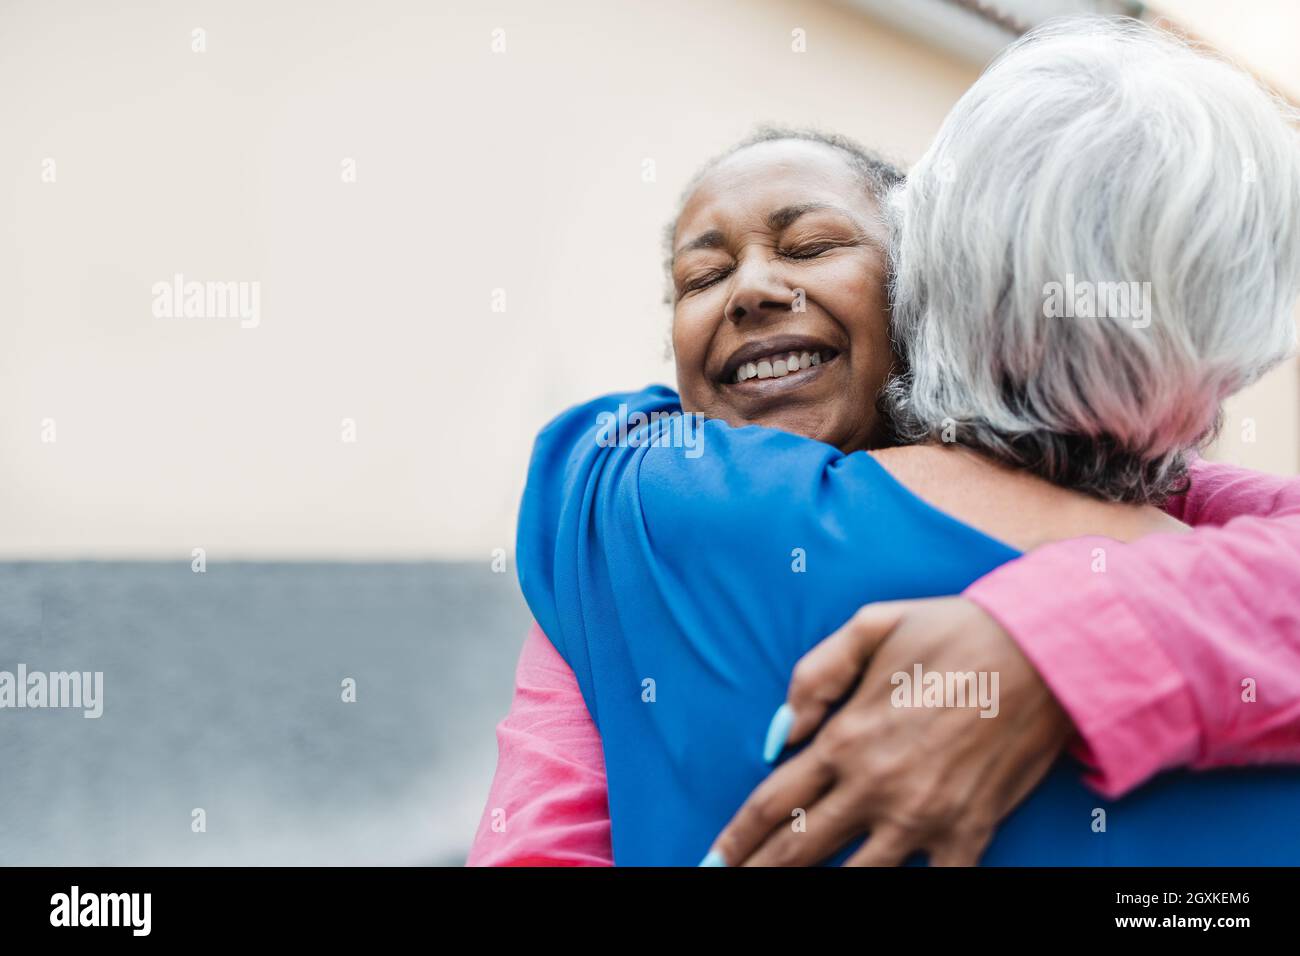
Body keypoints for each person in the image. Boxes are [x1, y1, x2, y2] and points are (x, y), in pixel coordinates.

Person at [471, 18, 1300, 865]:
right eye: (702, 277)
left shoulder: (630, 506)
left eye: (814, 246)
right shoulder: (1250, 605)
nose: (752, 288)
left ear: (921, 286)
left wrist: (1058, 646)